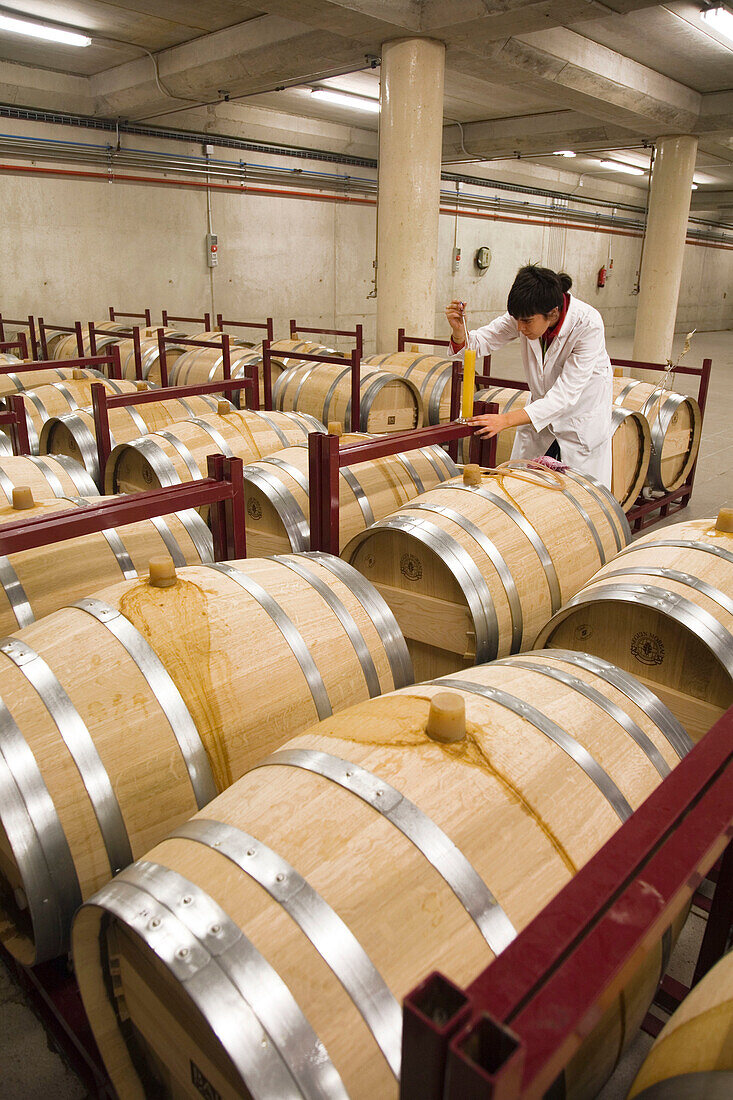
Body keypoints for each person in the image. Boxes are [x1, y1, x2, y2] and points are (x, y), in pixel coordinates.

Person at [445, 264, 613, 486]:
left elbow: (564, 396)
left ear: (553, 312)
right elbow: (482, 341)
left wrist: (504, 420)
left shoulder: (587, 324)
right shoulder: (525, 315)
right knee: (526, 488)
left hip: (579, 419)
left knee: (576, 497)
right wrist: (459, 331)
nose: (520, 328)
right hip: (541, 414)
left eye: (527, 322)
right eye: (517, 320)